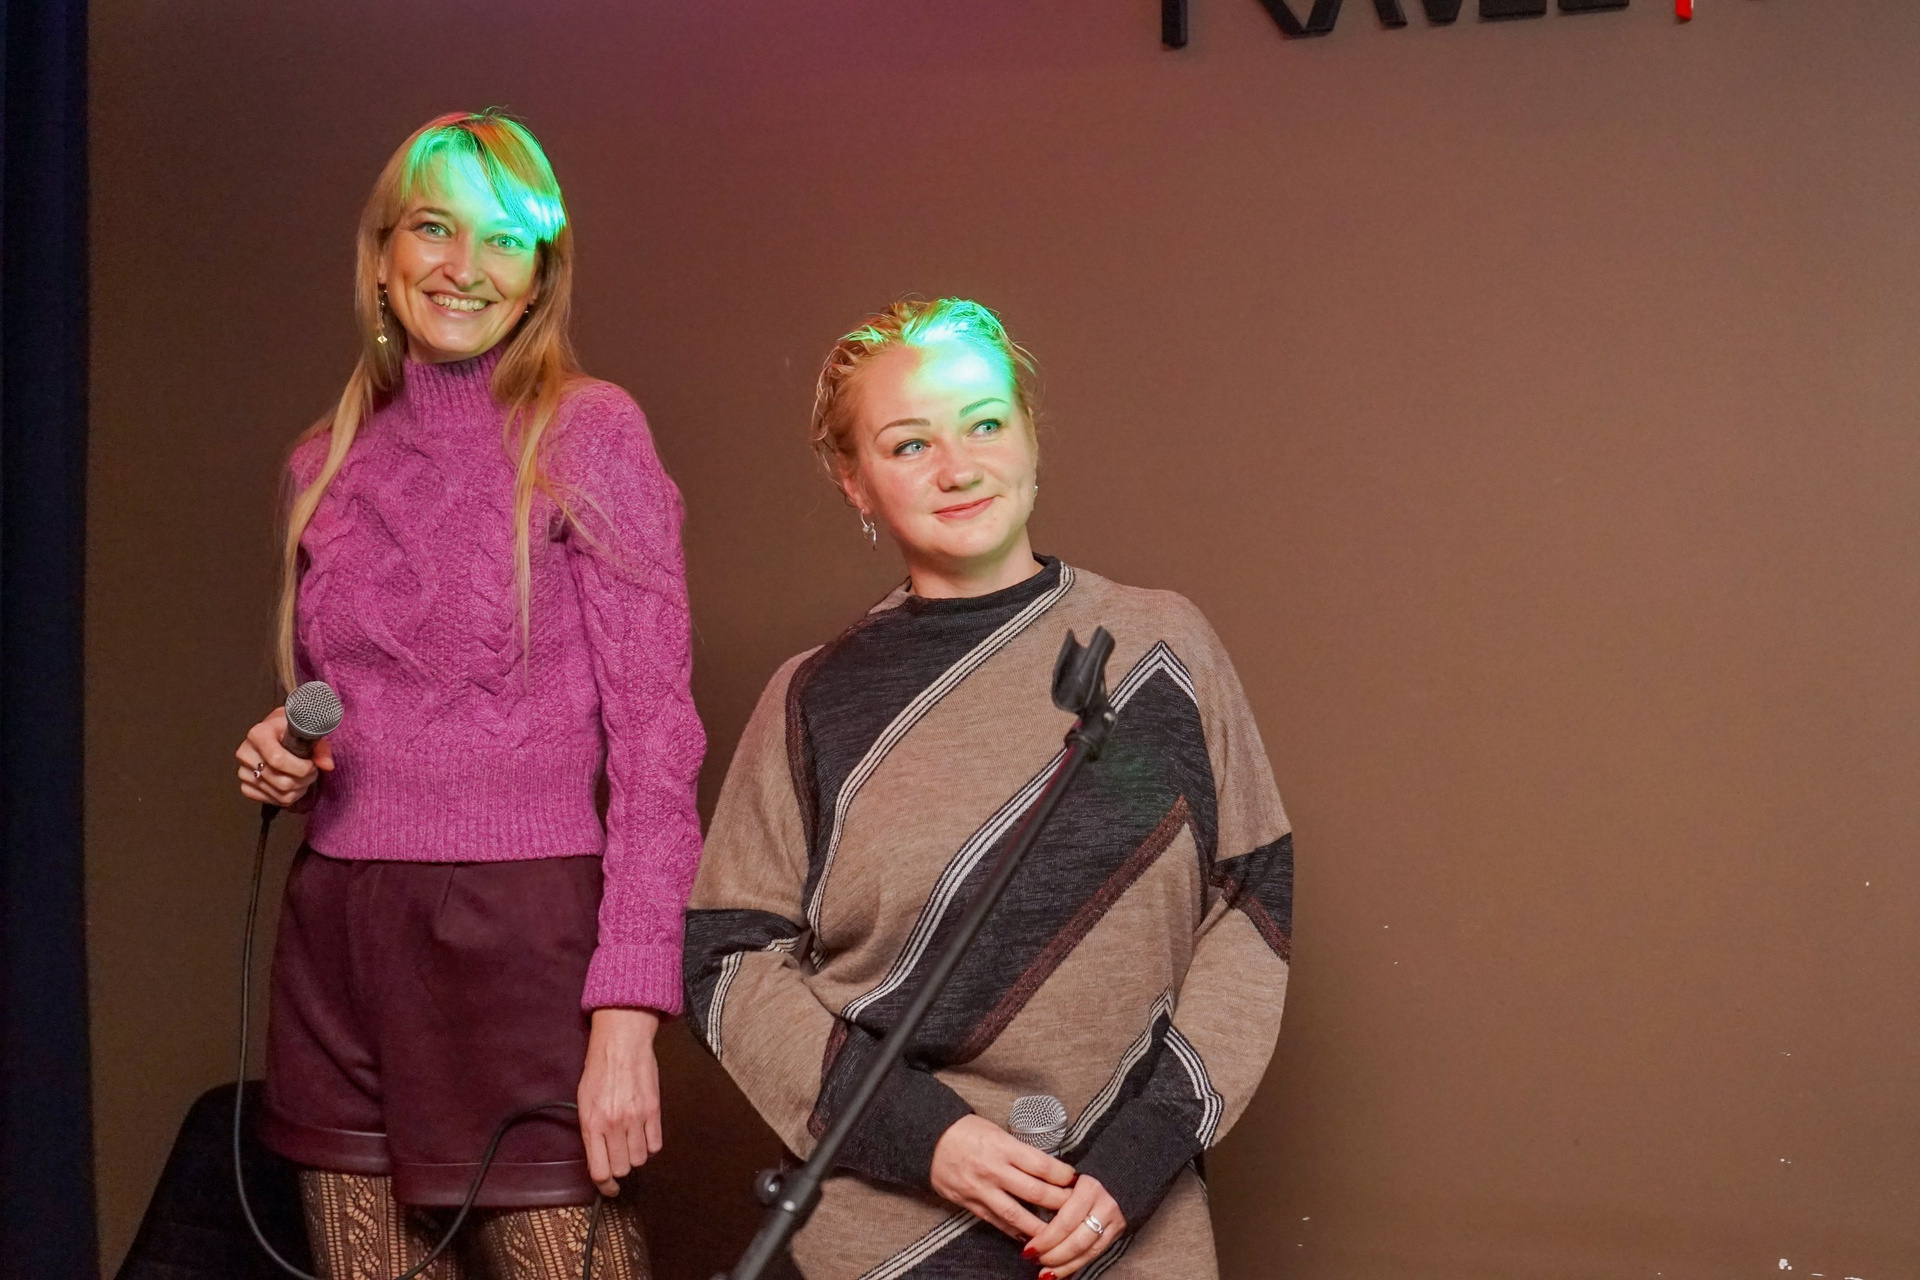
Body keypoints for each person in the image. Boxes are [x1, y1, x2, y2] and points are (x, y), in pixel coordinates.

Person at [684, 299, 1293, 1278]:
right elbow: (728, 957)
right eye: (909, 443)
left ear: (1029, 435)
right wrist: (923, 1136)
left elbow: (1247, 897)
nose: (957, 467)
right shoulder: (814, 700)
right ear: (853, 480)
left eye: (984, 423)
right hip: (884, 1239)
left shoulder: (1156, 653)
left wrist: (1143, 1150)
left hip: (1127, 1222)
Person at [233, 110, 703, 1279]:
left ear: (542, 270)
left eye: (505, 237)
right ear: (383, 254)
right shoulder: (320, 462)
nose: (465, 265)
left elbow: (658, 745)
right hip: (339, 940)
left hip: (524, 942)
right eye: (434, 227)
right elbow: (360, 707)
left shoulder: (590, 432)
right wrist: (290, 752)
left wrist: (627, 1014)